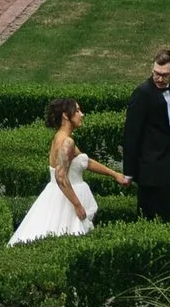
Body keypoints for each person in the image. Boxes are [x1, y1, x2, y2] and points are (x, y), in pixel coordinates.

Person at [8, 97, 126, 243]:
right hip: (67, 199)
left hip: (60, 195)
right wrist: (77, 205)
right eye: (77, 110)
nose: (81, 114)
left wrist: (114, 174)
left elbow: (85, 161)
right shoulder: (67, 142)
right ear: (65, 115)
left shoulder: (62, 137)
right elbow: (61, 176)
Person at [120, 48, 170, 222]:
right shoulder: (142, 93)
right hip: (148, 168)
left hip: (165, 165)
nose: (160, 78)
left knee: (166, 217)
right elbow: (131, 134)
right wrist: (128, 172)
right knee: (155, 217)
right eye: (156, 73)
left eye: (165, 75)